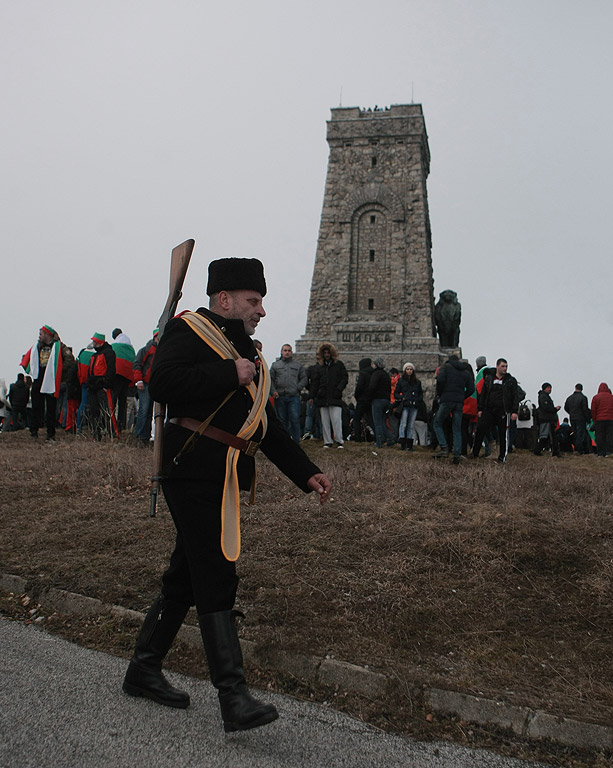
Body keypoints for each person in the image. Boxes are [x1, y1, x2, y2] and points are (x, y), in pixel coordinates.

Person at [122, 257, 331, 733]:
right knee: (217, 570)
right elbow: (162, 384)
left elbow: (266, 426)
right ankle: (233, 698)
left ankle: (143, 668)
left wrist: (306, 472)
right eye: (253, 301)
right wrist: (226, 374)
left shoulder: (248, 355)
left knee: (186, 574)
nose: (260, 311)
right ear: (225, 299)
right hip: (190, 465)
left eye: (260, 302)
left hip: (227, 472)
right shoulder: (189, 330)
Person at [21, 324, 75, 441]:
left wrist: (58, 371)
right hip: (38, 379)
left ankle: (50, 433)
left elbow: (70, 360)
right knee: (36, 406)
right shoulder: (36, 346)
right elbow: (27, 358)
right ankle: (34, 431)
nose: (39, 336)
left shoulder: (59, 346)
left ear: (47, 334)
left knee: (51, 407)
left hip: (51, 380)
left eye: (41, 334)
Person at [471, 358, 520, 464]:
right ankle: (474, 453)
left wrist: (514, 411)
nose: (505, 368)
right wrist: (480, 409)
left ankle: (502, 457)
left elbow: (515, 396)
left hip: (503, 411)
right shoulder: (489, 379)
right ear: (497, 366)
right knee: (480, 429)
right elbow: (483, 394)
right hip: (488, 410)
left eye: (506, 366)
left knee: (503, 434)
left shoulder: (510, 380)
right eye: (503, 366)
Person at [432, 354, 473, 463]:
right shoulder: (465, 371)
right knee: (457, 428)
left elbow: (440, 381)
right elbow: (471, 388)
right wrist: (462, 396)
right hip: (459, 402)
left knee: (437, 423)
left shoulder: (445, 367)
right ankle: (457, 454)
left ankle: (444, 448)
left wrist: (441, 394)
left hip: (446, 400)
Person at [309, 342, 348, 449]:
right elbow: (315, 382)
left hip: (334, 396)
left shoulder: (338, 365)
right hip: (322, 397)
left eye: (328, 352)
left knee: (336, 420)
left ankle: (339, 441)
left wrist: (339, 389)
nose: (326, 355)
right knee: (324, 421)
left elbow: (344, 378)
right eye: (325, 353)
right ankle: (327, 441)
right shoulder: (319, 367)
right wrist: (312, 395)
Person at [269, 344, 307, 443]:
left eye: (289, 350)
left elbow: (304, 378)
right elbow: (270, 379)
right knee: (282, 421)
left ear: (291, 352)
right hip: (280, 397)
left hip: (293, 397)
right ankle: (284, 442)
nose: (287, 352)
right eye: (285, 350)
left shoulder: (297, 365)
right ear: (281, 352)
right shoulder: (275, 365)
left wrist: (297, 388)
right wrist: (273, 391)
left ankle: (296, 442)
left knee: (294, 419)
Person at [87, 333, 117, 440]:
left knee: (107, 411)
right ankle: (96, 434)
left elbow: (111, 370)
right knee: (94, 411)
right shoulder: (94, 355)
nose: (93, 343)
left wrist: (106, 385)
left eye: (95, 341)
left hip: (103, 388)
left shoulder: (109, 353)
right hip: (93, 387)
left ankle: (112, 434)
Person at [133, 330, 159, 444]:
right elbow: (137, 364)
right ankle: (140, 436)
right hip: (145, 384)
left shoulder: (160, 350)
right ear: (155, 337)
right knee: (144, 410)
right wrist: (139, 380)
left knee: (149, 412)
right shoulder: (146, 350)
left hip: (154, 384)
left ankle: (145, 436)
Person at [111, 328, 136, 433]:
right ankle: (122, 426)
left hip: (116, 374)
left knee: (113, 400)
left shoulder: (114, 346)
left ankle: (112, 425)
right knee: (123, 401)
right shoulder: (130, 347)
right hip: (127, 377)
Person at [394, 362, 423, 451]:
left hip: (414, 405)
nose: (409, 371)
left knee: (410, 425)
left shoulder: (417, 382)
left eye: (410, 369)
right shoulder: (401, 381)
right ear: (405, 370)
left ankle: (409, 445)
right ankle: (403, 443)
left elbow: (420, 394)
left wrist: (417, 400)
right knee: (404, 424)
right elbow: (396, 393)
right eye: (407, 369)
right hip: (406, 405)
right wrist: (403, 397)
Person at [369, 358, 394, 448]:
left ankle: (379, 441)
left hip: (377, 400)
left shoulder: (376, 374)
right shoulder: (386, 375)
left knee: (377, 422)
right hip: (386, 400)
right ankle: (390, 439)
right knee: (383, 422)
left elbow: (372, 387)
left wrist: (370, 397)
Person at [533, 383, 561, 457]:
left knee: (548, 437)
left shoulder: (544, 396)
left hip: (547, 419)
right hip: (546, 419)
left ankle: (538, 450)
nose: (550, 389)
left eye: (550, 388)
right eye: (548, 387)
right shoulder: (543, 397)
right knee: (546, 436)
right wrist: (555, 409)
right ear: (545, 388)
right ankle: (538, 450)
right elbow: (546, 408)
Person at [351, 357, 373, 442]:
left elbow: (359, 387)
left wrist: (357, 396)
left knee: (356, 418)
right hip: (370, 400)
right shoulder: (373, 373)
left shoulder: (362, 374)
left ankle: (358, 437)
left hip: (362, 400)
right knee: (371, 419)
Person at [564, 383, 591, 455]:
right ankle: (579, 449)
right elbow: (585, 409)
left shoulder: (569, 398)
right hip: (581, 418)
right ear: (582, 389)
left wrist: (571, 413)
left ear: (575, 388)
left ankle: (576, 448)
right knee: (580, 434)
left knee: (575, 433)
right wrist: (588, 419)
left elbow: (565, 408)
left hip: (572, 418)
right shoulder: (583, 398)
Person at [590, 382, 613, 457]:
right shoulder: (611, 397)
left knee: (599, 436)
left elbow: (593, 410)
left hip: (599, 420)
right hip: (610, 419)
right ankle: (608, 451)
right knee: (609, 436)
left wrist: (594, 420)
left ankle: (600, 452)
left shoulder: (596, 397)